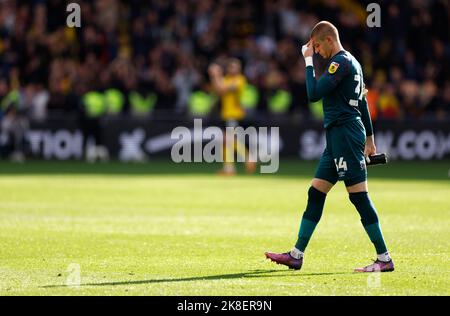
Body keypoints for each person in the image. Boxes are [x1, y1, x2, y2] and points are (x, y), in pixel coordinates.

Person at [265, 21, 394, 273]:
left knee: (358, 197)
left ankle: (384, 258)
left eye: (316, 47)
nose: (316, 51)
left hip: (345, 135)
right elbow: (363, 102)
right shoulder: (353, 63)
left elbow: (313, 93)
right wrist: (370, 138)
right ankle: (296, 254)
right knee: (316, 192)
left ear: (328, 40)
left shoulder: (340, 63)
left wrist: (308, 61)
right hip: (338, 136)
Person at [208, 58, 256, 175]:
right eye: (231, 66)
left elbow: (222, 89)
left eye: (235, 67)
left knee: (228, 140)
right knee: (225, 141)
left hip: (234, 115)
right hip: (226, 114)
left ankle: (248, 158)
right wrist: (215, 77)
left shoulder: (239, 80)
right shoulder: (227, 79)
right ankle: (229, 168)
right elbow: (218, 90)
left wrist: (216, 75)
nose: (232, 69)